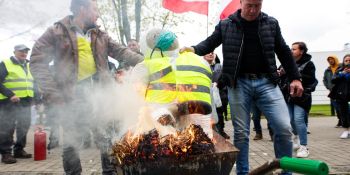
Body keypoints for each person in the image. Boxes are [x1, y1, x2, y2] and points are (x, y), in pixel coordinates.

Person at [179, 0, 303, 174]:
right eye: (249, 5)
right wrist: (192, 49)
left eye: (257, 5)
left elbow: (283, 51)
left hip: (267, 82)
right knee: (241, 133)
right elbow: (209, 43)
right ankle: (243, 172)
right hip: (238, 84)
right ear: (241, 2)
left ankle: (286, 171)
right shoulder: (226, 24)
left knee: (283, 127)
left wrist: (295, 78)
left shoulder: (271, 23)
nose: (253, 10)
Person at [29, 0, 143, 174]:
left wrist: (148, 62)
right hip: (69, 98)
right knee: (71, 143)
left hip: (100, 96)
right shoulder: (56, 31)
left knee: (107, 139)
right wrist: (53, 93)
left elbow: (122, 52)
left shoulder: (100, 35)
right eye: (95, 9)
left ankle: (110, 172)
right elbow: (37, 61)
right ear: (82, 9)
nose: (98, 13)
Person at [132, 28, 217, 138]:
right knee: (202, 137)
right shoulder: (201, 61)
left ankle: (168, 117)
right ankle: (204, 132)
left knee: (155, 122)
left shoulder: (145, 66)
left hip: (164, 103)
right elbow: (209, 89)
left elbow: (137, 95)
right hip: (199, 105)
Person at [278, 42, 317, 158]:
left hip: (301, 96)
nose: (291, 50)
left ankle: (304, 147)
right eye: (291, 48)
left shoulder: (309, 64)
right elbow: (279, 75)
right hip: (288, 95)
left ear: (302, 51)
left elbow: (311, 79)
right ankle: (296, 138)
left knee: (299, 119)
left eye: (294, 49)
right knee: (290, 120)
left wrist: (294, 74)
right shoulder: (286, 62)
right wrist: (279, 73)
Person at [0, 44, 33, 164]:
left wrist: (37, 100)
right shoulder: (6, 63)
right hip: (8, 100)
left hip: (25, 100)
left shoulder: (29, 65)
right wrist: (10, 95)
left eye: (26, 51)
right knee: (7, 127)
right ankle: (6, 153)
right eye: (21, 51)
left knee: (24, 125)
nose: (24, 53)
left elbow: (33, 83)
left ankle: (19, 150)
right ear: (14, 52)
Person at [203, 52, 230, 139]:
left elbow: (225, 79)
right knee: (207, 114)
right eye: (208, 53)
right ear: (204, 56)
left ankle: (221, 131)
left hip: (220, 95)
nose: (210, 54)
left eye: (212, 53)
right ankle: (208, 133)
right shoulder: (201, 66)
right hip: (206, 95)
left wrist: (218, 84)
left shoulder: (219, 67)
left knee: (220, 114)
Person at [328, 54, 350, 139]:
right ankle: (346, 130)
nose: (348, 62)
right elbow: (333, 80)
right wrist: (342, 73)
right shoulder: (339, 70)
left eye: (349, 60)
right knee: (343, 113)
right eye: (346, 61)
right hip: (342, 94)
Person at [323, 55, 342, 127]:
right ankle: (340, 120)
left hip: (341, 90)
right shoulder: (327, 70)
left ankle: (344, 120)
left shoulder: (341, 68)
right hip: (332, 91)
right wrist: (328, 86)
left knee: (343, 106)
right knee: (336, 106)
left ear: (335, 59)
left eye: (332, 59)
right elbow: (324, 79)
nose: (330, 61)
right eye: (329, 60)